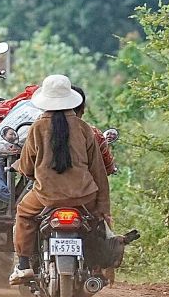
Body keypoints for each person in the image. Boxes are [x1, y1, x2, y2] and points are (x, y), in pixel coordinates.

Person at [9, 74, 111, 285]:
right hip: (84, 196)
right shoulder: (84, 129)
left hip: (47, 196)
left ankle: (24, 265)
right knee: (94, 223)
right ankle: (96, 267)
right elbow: (98, 171)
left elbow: (27, 166)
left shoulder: (38, 127)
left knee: (24, 213)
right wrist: (102, 208)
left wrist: (31, 173)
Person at [71, 86, 117, 175]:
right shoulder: (93, 134)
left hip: (46, 188)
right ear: (82, 109)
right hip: (83, 188)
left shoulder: (39, 131)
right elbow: (107, 168)